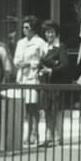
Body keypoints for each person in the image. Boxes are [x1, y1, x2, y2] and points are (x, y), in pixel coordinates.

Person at [14, 19, 54, 148]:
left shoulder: (40, 42)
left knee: (33, 107)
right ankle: (27, 132)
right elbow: (16, 58)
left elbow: (45, 59)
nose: (23, 29)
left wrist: (31, 64)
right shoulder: (20, 43)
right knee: (26, 107)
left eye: (26, 27)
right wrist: (19, 63)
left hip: (33, 76)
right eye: (23, 27)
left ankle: (34, 133)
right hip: (22, 77)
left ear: (32, 29)